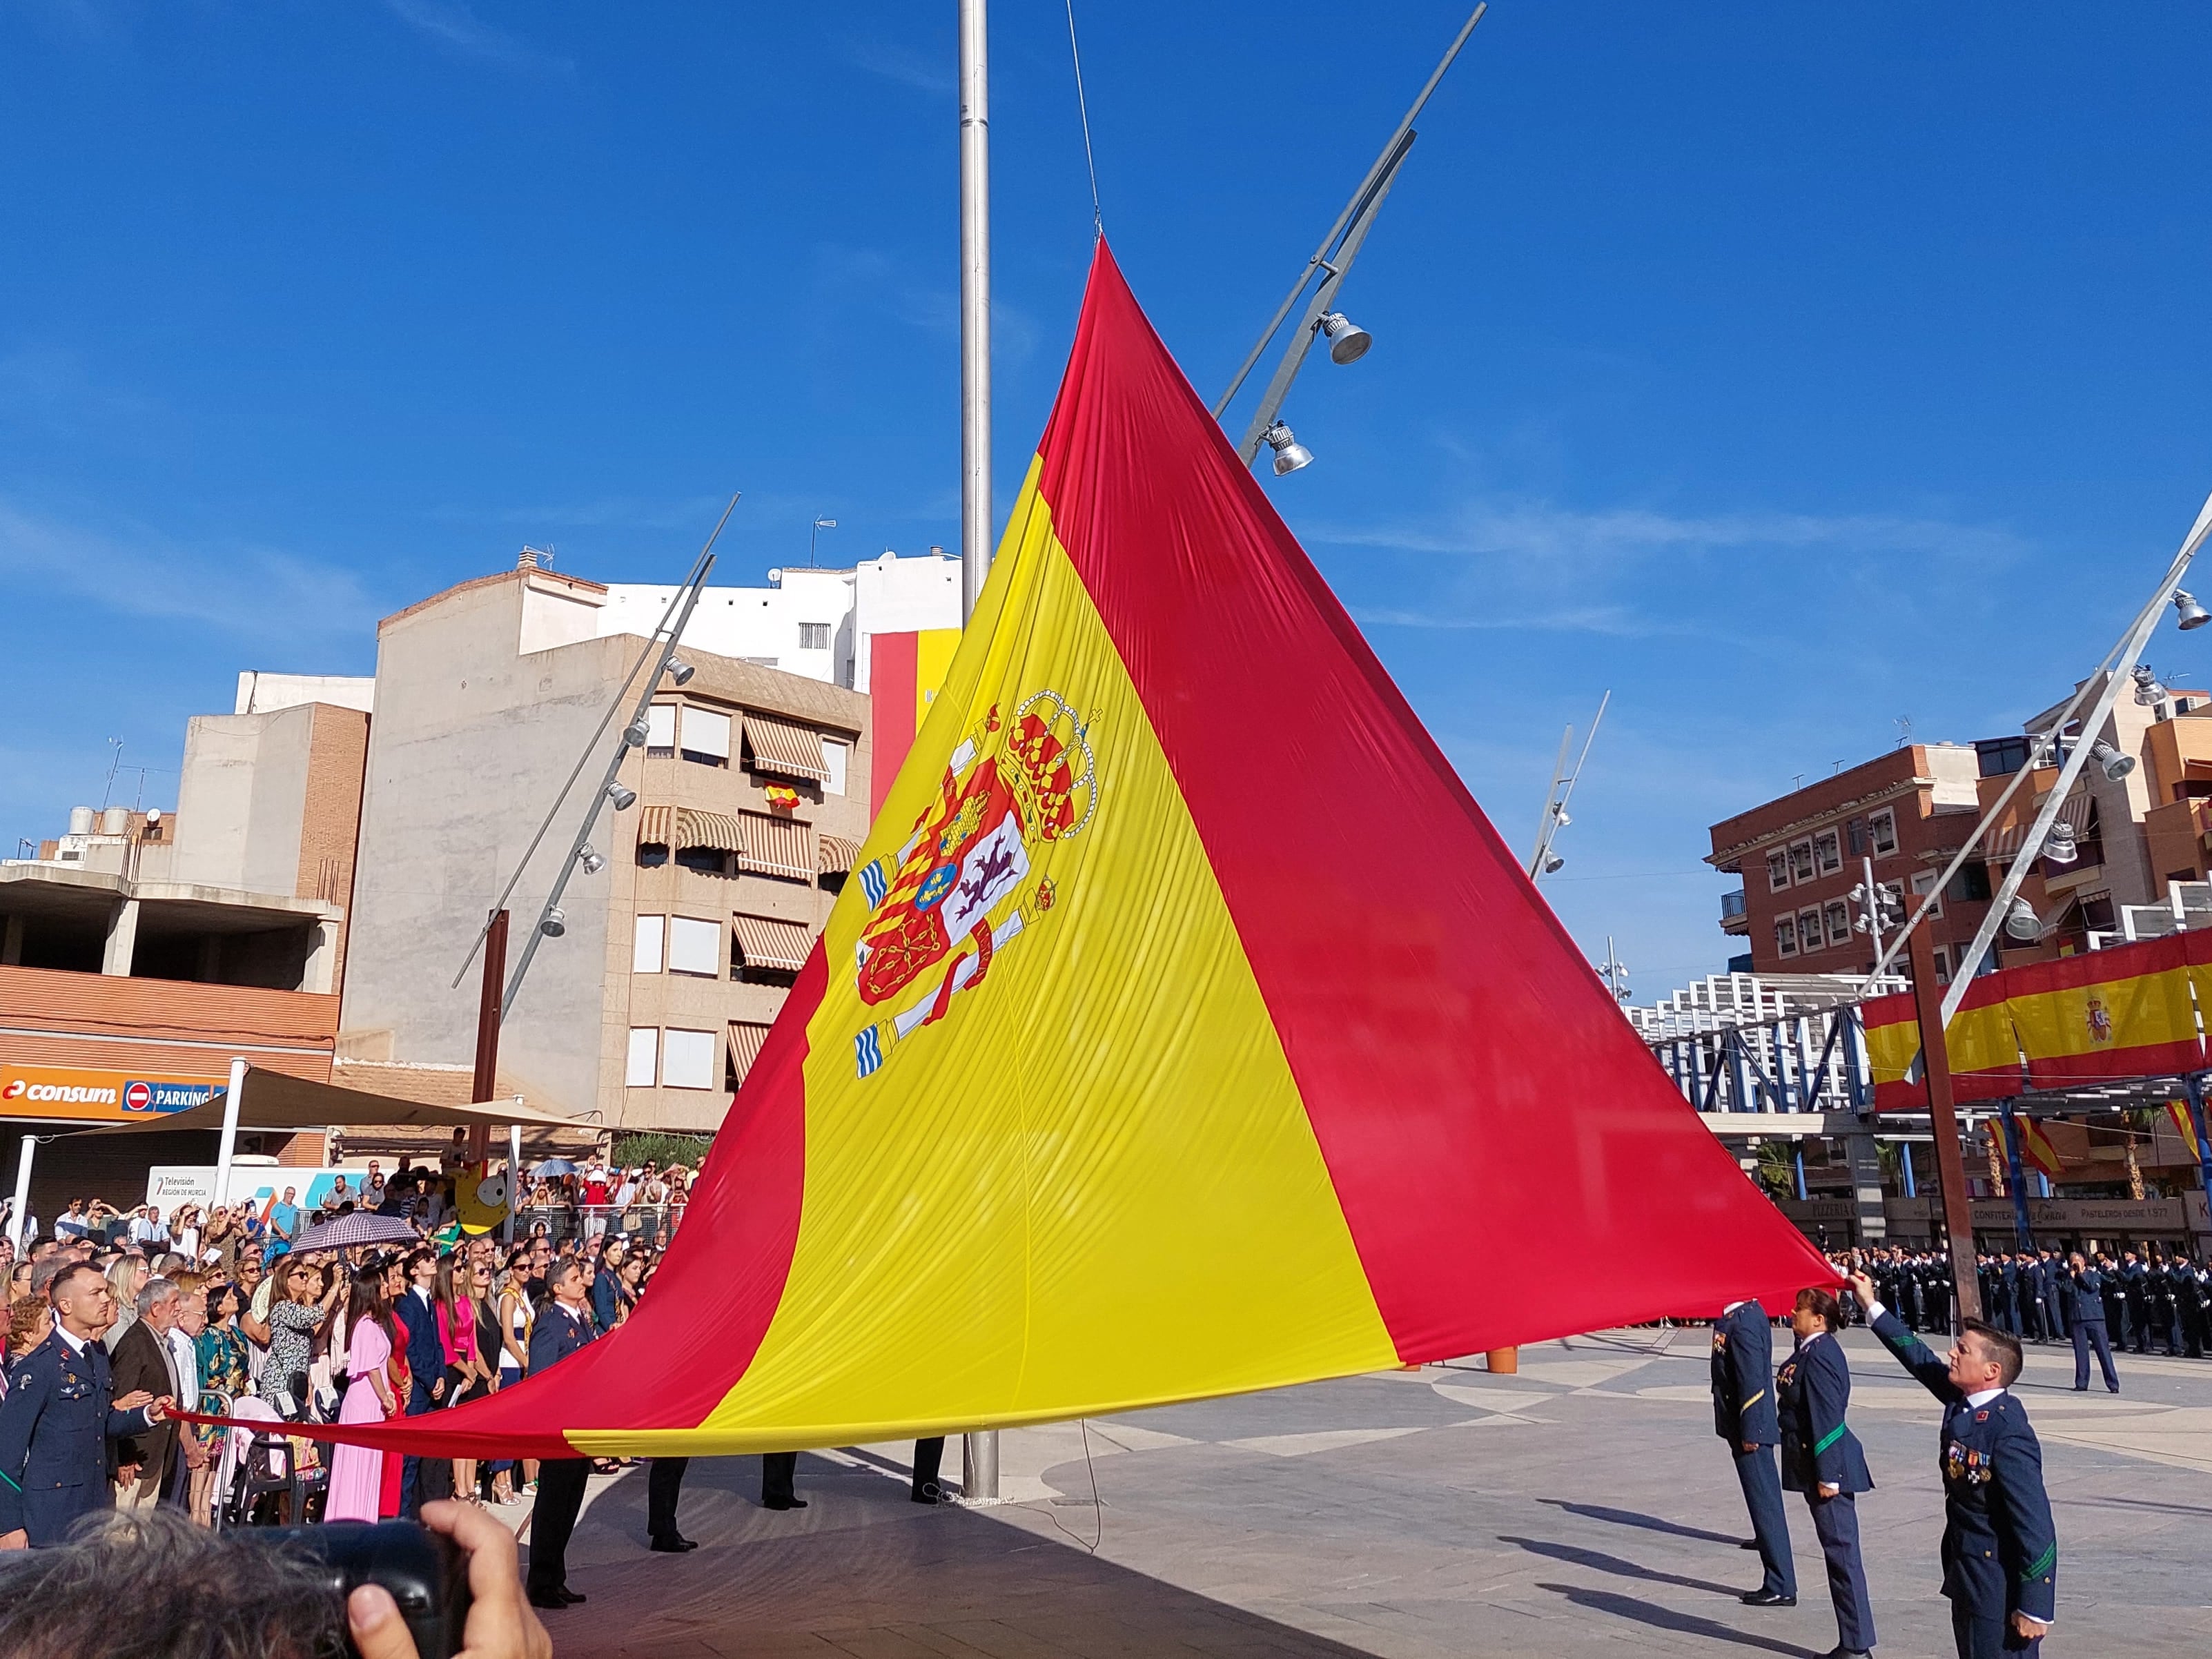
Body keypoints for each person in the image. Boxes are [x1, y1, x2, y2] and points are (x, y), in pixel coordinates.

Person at [1849, 1270, 2056, 1658]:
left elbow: (2036, 1524)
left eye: (1963, 1351)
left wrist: (2036, 1605)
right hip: (1968, 1572)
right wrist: (1870, 1304)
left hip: (1997, 1583)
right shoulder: (1966, 1403)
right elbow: (1919, 1358)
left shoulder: (2007, 1430)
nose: (1951, 1354)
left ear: (1991, 1371)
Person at [0, 1263, 168, 1548]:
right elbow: (6, 1452)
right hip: (49, 1518)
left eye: (105, 1291)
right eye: (95, 1293)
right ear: (65, 1305)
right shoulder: (40, 1367)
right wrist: (9, 1526)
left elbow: (101, 1420)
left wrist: (145, 1416)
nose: (106, 1299)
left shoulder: (95, 1354)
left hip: (91, 1510)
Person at [1777, 1286, 1875, 1659]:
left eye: (1800, 1310)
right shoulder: (1810, 1349)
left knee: (1842, 1556)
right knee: (1838, 1554)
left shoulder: (1820, 1355)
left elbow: (1828, 1418)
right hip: (1814, 1464)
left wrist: (1828, 1476)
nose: (1793, 1312)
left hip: (1828, 1468)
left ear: (1819, 1319)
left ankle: (1857, 1645)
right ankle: (1852, 1640)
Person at [524, 1257, 596, 1609]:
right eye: (574, 1278)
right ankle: (540, 1583)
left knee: (569, 1506)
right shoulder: (551, 1325)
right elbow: (540, 1379)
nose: (582, 1282)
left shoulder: (580, 1318)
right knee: (553, 1507)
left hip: (581, 1423)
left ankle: (557, 1576)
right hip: (561, 1428)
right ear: (558, 1289)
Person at [1712, 1297, 1794, 1607]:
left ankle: (1780, 1583)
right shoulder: (1740, 1314)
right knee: (1762, 1501)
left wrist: (1751, 1429)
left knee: (1765, 1503)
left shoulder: (1743, 1322)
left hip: (1750, 1427)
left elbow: (1752, 1382)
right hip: (1743, 1423)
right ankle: (1768, 1546)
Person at [325, 1268, 401, 1524]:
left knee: (369, 1463)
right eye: (381, 1285)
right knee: (356, 1465)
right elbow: (370, 1368)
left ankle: (364, 1518)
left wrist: (387, 1395)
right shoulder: (365, 1326)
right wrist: (386, 1397)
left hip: (373, 1402)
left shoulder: (375, 1324)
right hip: (364, 1402)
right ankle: (348, 1518)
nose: (387, 1288)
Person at [108, 1278, 187, 1513]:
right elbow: (121, 1400)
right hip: (134, 1461)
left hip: (154, 1455)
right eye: (174, 1302)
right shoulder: (135, 1343)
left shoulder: (160, 1341)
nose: (179, 1309)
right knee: (119, 1532)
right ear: (155, 1307)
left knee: (141, 1534)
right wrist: (124, 1456)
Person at [393, 1248, 452, 1513]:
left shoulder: (429, 1301)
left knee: (423, 1459)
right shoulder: (408, 1304)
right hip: (418, 1389)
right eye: (426, 1260)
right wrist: (430, 1379)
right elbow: (411, 1347)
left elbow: (438, 1343)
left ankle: (417, 1512)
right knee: (408, 1460)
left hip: (431, 1385)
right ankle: (402, 1517)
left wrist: (441, 1374)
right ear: (414, 1270)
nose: (433, 1263)